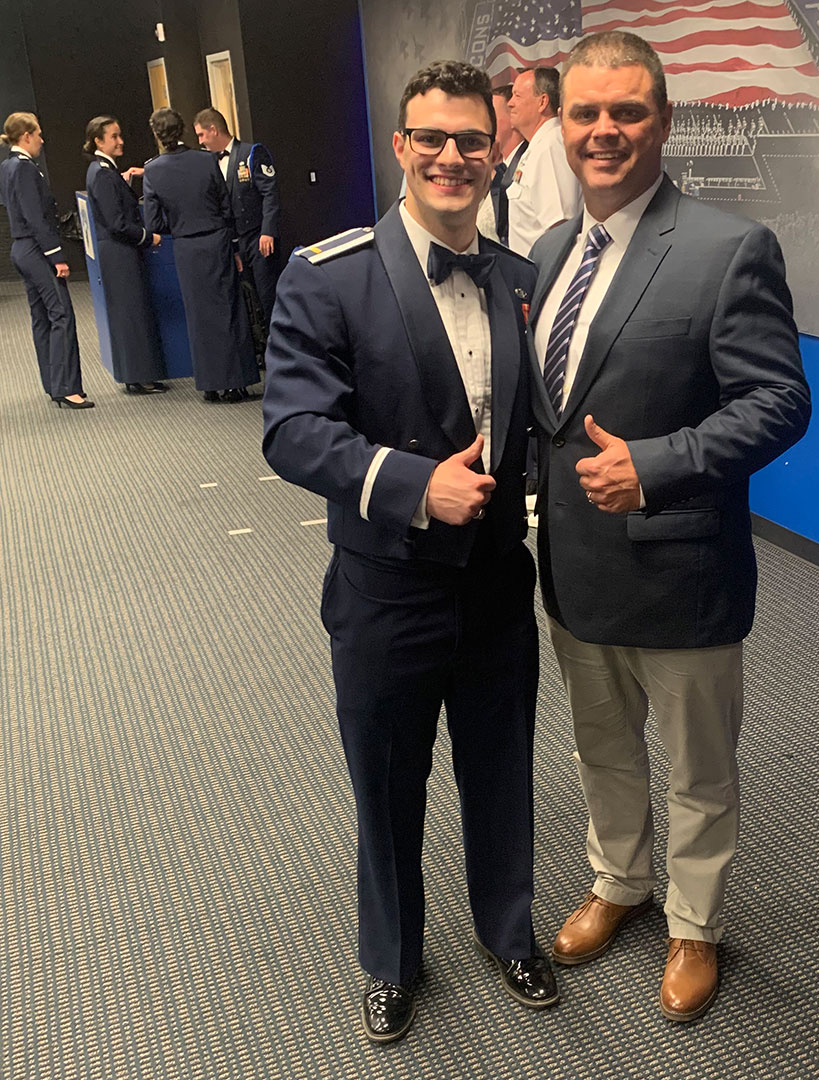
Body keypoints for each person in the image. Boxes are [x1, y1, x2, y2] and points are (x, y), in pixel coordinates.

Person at [262, 59, 557, 1044]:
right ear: (401, 147)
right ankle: (391, 958)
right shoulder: (327, 275)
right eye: (430, 137)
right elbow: (292, 430)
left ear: (492, 149)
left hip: (496, 586)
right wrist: (406, 482)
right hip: (386, 587)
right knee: (387, 781)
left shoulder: (520, 279)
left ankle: (508, 928)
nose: (451, 156)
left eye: (471, 139)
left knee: (501, 767)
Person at [529, 32, 811, 1023]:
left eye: (628, 112)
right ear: (559, 124)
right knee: (601, 751)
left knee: (697, 769)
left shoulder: (729, 247)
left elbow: (778, 403)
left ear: (664, 121)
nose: (605, 132)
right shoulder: (554, 248)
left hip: (681, 568)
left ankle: (695, 926)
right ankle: (619, 883)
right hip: (572, 568)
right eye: (586, 113)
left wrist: (655, 466)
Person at [142, 107, 258, 403]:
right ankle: (236, 383)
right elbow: (225, 205)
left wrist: (179, 223)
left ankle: (209, 383)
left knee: (198, 315)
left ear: (157, 135)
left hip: (186, 246)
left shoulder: (153, 170)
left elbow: (154, 223)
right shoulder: (207, 160)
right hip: (216, 241)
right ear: (182, 130)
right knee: (229, 311)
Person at [0, 112, 91, 409]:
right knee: (61, 314)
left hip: (22, 249)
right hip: (36, 249)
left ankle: (54, 384)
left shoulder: (8, 166)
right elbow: (36, 217)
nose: (41, 138)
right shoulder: (25, 168)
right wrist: (57, 256)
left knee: (42, 317)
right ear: (26, 135)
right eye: (38, 133)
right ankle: (67, 388)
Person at [83, 115, 168, 396]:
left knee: (131, 312)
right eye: (114, 137)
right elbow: (117, 223)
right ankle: (139, 376)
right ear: (99, 140)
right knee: (131, 313)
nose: (120, 141)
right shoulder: (102, 173)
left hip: (118, 252)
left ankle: (137, 374)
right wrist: (148, 237)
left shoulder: (103, 171)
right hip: (120, 253)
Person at [192, 107, 281, 327]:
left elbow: (270, 193)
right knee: (247, 302)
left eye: (201, 135)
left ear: (213, 130)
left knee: (268, 296)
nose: (201, 142)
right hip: (236, 242)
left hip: (258, 237)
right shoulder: (209, 162)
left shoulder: (251, 153)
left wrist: (268, 231)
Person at [505, 67, 581, 256]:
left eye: (517, 96)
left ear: (542, 102)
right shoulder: (538, 146)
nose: (510, 103)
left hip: (544, 278)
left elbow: (561, 227)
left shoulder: (550, 146)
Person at [490, 84, 526, 246]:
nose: (486, 124)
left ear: (513, 117)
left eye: (492, 117)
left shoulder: (529, 163)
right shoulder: (497, 171)